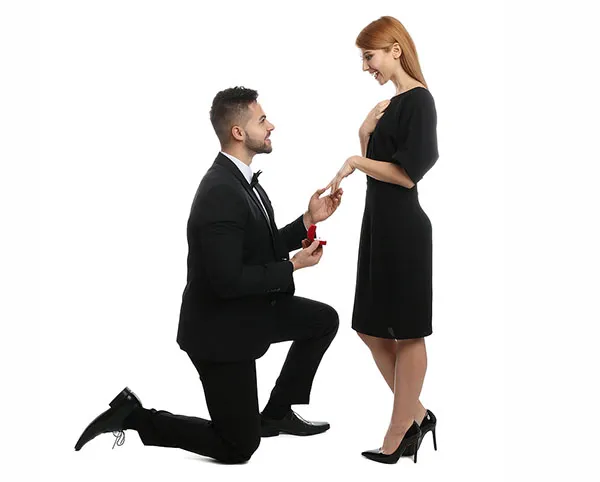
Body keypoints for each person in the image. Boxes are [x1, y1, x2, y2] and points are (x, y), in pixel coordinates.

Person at [74, 86, 344, 464]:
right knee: (239, 447)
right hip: (219, 330)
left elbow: (258, 248)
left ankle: (277, 412)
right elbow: (228, 281)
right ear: (238, 132)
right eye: (262, 120)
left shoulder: (241, 181)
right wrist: (292, 266)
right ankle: (134, 416)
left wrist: (308, 219)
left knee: (323, 320)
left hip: (246, 310)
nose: (271, 126)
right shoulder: (220, 191)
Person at [326, 16, 439, 464]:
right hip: (378, 226)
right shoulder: (389, 106)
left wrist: (356, 159)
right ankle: (418, 415)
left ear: (395, 49)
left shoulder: (419, 101)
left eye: (368, 56)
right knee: (369, 327)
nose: (365, 66)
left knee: (407, 332)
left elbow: (407, 175)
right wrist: (364, 137)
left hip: (405, 231)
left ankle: (398, 431)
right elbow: (382, 169)